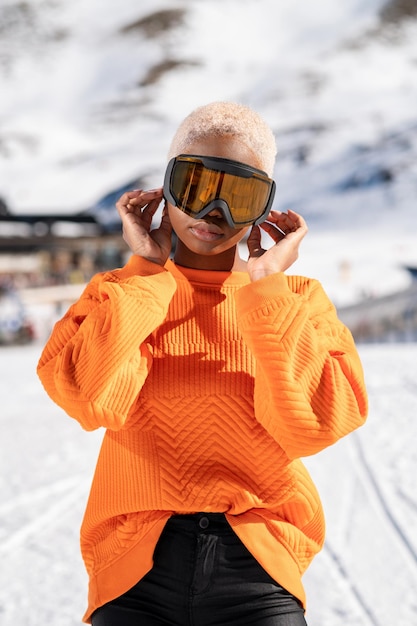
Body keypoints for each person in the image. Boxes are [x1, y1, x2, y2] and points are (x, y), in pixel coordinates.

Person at [37, 101, 368, 626]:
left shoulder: (297, 300)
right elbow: (89, 399)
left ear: (266, 206)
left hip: (258, 570)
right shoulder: (121, 295)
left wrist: (266, 292)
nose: (215, 213)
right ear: (165, 188)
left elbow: (310, 427)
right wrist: (146, 271)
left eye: (240, 195)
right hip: (135, 572)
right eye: (195, 187)